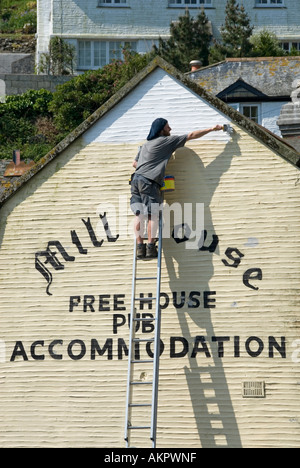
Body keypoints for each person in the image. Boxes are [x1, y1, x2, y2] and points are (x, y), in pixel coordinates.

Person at [130, 118, 223, 259]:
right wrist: (212, 129)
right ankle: (150, 247)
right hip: (149, 182)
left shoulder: (145, 145)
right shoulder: (166, 141)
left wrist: (150, 166)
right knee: (152, 215)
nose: (171, 129)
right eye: (168, 127)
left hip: (136, 180)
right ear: (161, 129)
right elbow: (191, 135)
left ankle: (139, 248)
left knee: (139, 215)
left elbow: (134, 163)